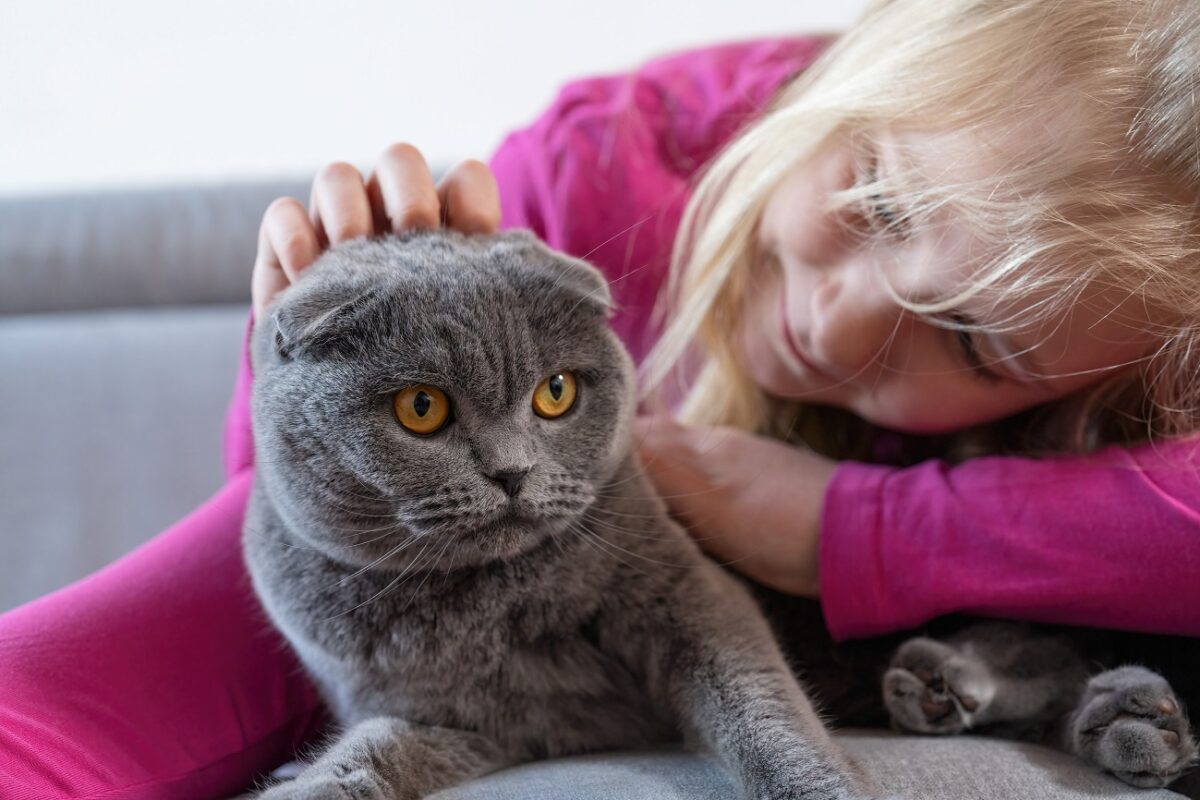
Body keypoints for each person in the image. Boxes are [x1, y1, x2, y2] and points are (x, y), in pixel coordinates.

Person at [2, 1, 1199, 798]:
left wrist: (851, 523)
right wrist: (286, 367)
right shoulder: (584, 184)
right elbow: (268, 516)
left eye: (973, 339)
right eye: (876, 199)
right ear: (856, 79)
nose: (838, 318)